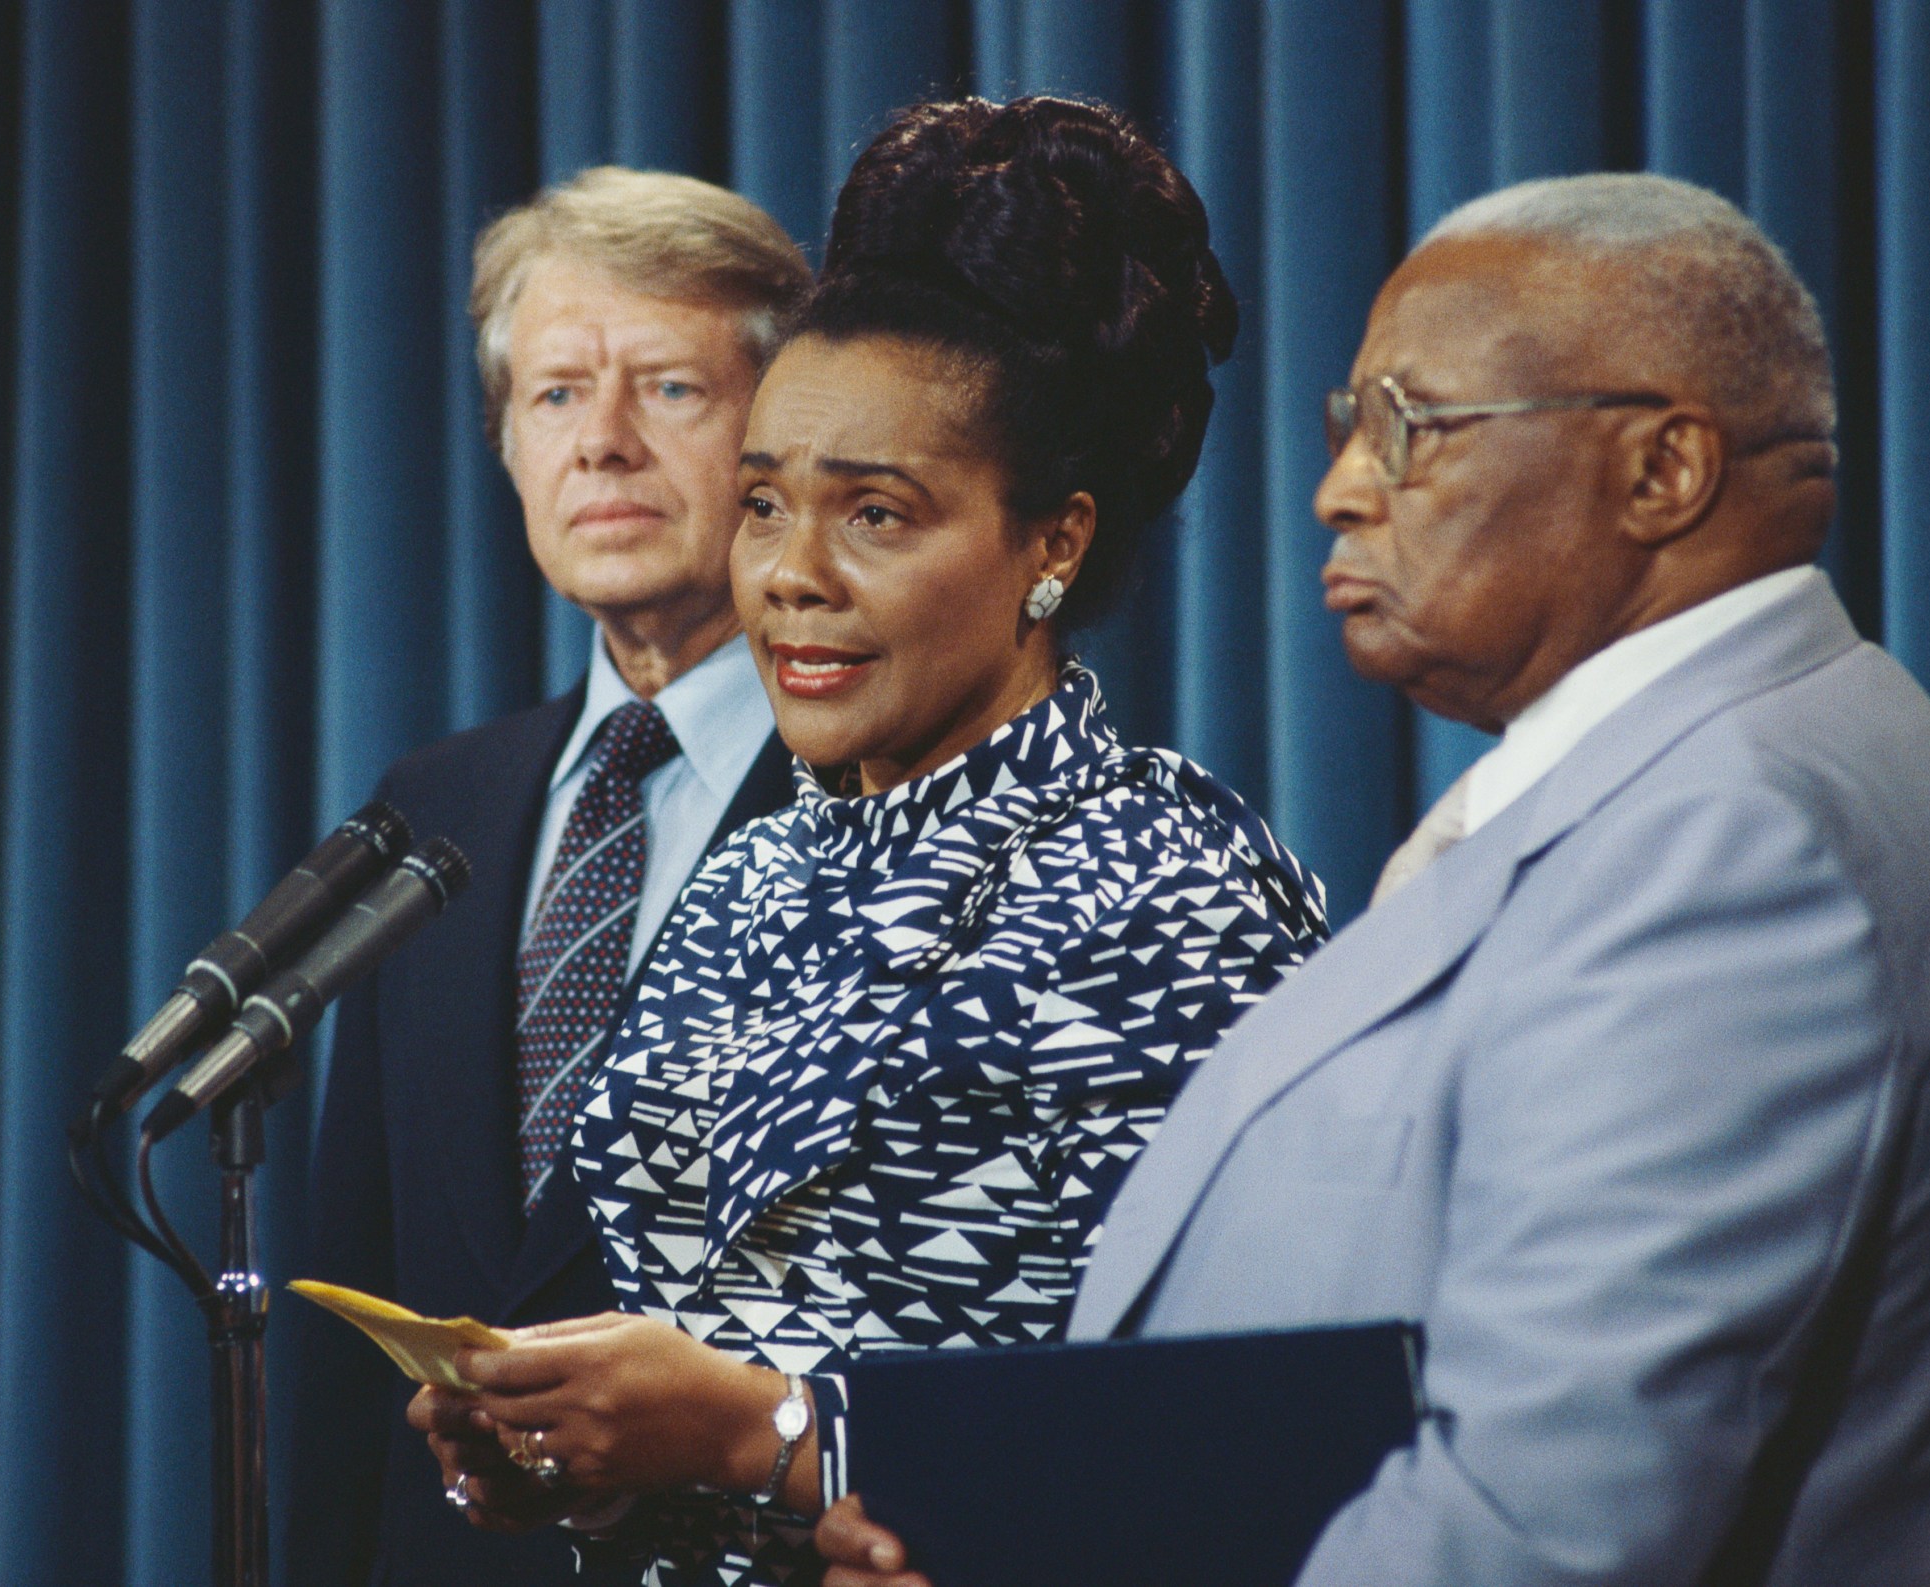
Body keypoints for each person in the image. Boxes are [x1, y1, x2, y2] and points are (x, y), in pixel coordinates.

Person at [820, 172, 1930, 1587]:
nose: (1339, 489)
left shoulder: (1732, 843)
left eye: (1411, 428)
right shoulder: (1732, 750)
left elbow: (1544, 1531)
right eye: (1349, 429)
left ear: (1664, 472)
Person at [406, 96, 1330, 1586]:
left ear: (1056, 543)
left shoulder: (1170, 886)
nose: (791, 578)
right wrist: (576, 1469)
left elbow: (1216, 1434)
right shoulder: (756, 876)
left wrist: (748, 1433)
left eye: (879, 516)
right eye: (766, 504)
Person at [286, 167, 811, 1587]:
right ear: (510, 447)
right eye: (557, 396)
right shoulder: (430, 806)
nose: (607, 445)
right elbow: (360, 1291)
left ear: (783, 438)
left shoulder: (876, 800)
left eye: (672, 392)